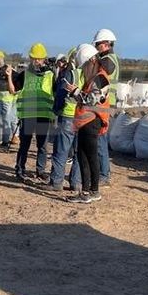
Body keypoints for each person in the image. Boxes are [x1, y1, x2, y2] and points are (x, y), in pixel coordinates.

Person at [68, 44, 112, 203]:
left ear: (92, 60)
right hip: (87, 122)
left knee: (90, 157)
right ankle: (88, 192)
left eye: (85, 66)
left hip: (92, 121)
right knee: (83, 156)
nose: (84, 70)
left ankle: (91, 191)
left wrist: (75, 92)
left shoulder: (100, 77)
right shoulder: (94, 78)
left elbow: (93, 101)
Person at [10, 43, 54, 182]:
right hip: (28, 115)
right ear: (30, 58)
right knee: (24, 144)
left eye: (39, 59)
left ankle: (40, 171)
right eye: (34, 58)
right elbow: (13, 90)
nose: (36, 61)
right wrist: (9, 77)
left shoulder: (50, 75)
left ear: (44, 59)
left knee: (42, 145)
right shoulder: (25, 74)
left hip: (43, 115)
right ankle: (20, 169)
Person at [47, 46, 87, 192]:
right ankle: (76, 183)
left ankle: (56, 182)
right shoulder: (90, 75)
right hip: (84, 118)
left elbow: (61, 95)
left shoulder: (72, 74)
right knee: (79, 152)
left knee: (61, 150)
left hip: (69, 116)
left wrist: (55, 111)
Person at [93, 28, 120, 186]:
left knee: (100, 139)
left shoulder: (109, 59)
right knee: (98, 139)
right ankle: (103, 172)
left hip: (105, 102)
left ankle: (104, 174)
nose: (97, 47)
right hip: (105, 102)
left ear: (107, 44)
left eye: (98, 45)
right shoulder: (107, 58)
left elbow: (103, 72)